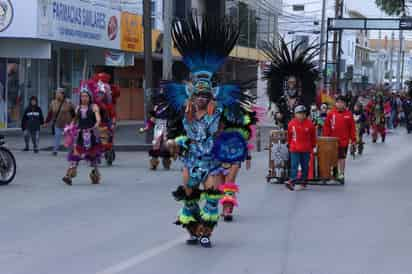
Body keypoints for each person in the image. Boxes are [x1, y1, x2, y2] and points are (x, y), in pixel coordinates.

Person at [164, 16, 255, 248]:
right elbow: (174, 133)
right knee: (190, 197)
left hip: (213, 162)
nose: (201, 99)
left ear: (211, 96)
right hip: (192, 160)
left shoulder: (221, 111)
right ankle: (193, 229)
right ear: (192, 96)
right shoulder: (185, 113)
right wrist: (174, 142)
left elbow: (239, 128)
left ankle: (207, 231)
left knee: (212, 198)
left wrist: (236, 147)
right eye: (198, 96)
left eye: (205, 96)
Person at [62, 88, 102, 185]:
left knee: (92, 158)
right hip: (80, 135)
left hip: (91, 135)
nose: (84, 98)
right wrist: (70, 127)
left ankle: (95, 175)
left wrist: (96, 125)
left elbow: (98, 119)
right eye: (82, 96)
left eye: (86, 96)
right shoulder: (78, 108)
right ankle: (68, 176)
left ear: (89, 97)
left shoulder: (94, 107)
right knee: (75, 156)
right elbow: (75, 120)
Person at [323, 96, 356, 183]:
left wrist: (353, 140)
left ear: (345, 104)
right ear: (335, 103)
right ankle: (333, 174)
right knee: (332, 158)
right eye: (338, 102)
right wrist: (326, 138)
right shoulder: (331, 113)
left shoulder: (349, 114)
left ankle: (341, 175)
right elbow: (326, 126)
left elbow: (352, 128)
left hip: (343, 141)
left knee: (342, 158)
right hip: (332, 141)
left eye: (342, 102)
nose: (340, 104)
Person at [285, 105, 316, 191]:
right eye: (299, 113)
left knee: (305, 166)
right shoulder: (291, 124)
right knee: (294, 165)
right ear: (295, 114)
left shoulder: (310, 124)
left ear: (305, 114)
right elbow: (289, 136)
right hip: (294, 148)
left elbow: (313, 136)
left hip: (306, 149)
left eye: (303, 113)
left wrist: (313, 146)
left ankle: (303, 181)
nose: (301, 115)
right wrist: (290, 145)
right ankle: (292, 181)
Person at [140, 90, 173, 170]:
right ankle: (165, 162)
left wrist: (146, 128)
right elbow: (152, 119)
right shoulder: (167, 106)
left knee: (158, 145)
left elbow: (152, 119)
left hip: (161, 126)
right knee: (163, 145)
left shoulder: (159, 107)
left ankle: (156, 163)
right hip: (164, 126)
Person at [45, 88, 75, 156]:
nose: (56, 95)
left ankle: (71, 150)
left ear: (63, 94)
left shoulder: (68, 102)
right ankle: (55, 150)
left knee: (68, 138)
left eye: (58, 93)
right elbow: (50, 113)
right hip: (58, 123)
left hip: (67, 124)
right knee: (57, 136)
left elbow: (73, 113)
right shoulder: (53, 103)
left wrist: (74, 121)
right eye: (56, 93)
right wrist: (46, 122)